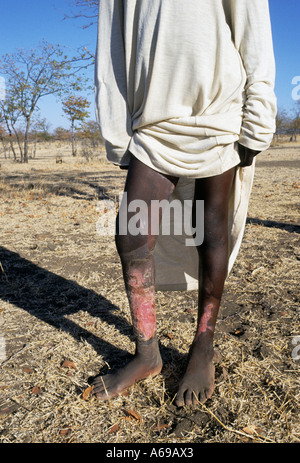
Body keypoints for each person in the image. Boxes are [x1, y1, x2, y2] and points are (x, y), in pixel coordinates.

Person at [92, 0, 277, 406]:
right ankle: (147, 354)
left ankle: (203, 345)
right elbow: (112, 49)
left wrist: (257, 116)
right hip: (153, 120)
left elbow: (252, 27)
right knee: (132, 233)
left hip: (219, 111)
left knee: (211, 231)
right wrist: (117, 130)